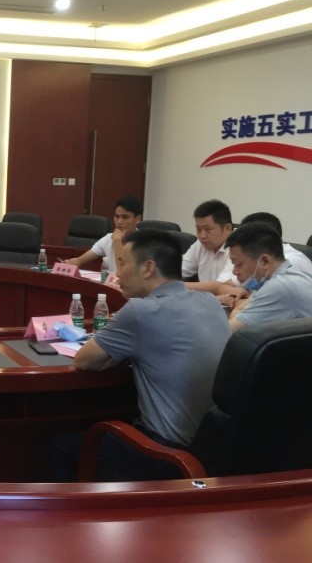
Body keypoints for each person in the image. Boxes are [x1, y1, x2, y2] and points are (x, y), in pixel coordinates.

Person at [52, 229, 231, 481]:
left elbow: (84, 360)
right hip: (214, 451)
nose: (118, 273)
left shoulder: (140, 311)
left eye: (123, 264)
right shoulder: (209, 302)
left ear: (148, 268)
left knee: (62, 448)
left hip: (166, 453)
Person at [194, 212, 312, 306]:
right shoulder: (259, 260)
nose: (235, 271)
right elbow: (223, 285)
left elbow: (240, 315)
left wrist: (238, 301)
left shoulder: (288, 269)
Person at [225, 222, 312, 333]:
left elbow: (226, 334)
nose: (234, 271)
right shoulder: (290, 272)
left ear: (265, 261)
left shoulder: (279, 287)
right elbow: (241, 309)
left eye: (238, 264)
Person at [65, 195, 143, 275]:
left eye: (125, 217)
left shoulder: (143, 243)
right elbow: (79, 261)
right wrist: (69, 264)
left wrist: (117, 241)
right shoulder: (108, 238)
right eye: (117, 216)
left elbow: (124, 274)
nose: (119, 222)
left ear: (137, 219)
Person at [182, 199, 234, 291]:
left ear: (227, 228)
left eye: (208, 229)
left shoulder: (239, 246)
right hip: (205, 297)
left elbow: (221, 286)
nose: (202, 236)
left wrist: (176, 286)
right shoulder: (200, 244)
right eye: (198, 229)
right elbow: (179, 270)